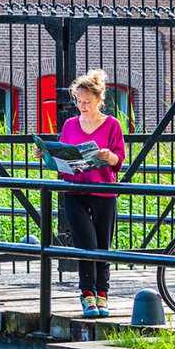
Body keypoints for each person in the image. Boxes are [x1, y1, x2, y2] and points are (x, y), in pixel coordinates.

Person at [58, 69, 125, 318]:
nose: (82, 107)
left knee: (102, 246)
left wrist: (109, 156)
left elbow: (119, 159)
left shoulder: (112, 125)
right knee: (86, 244)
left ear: (99, 99)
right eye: (79, 102)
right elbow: (63, 157)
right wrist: (48, 156)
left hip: (103, 191)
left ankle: (102, 294)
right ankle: (87, 294)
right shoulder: (69, 125)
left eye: (87, 102)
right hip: (75, 190)